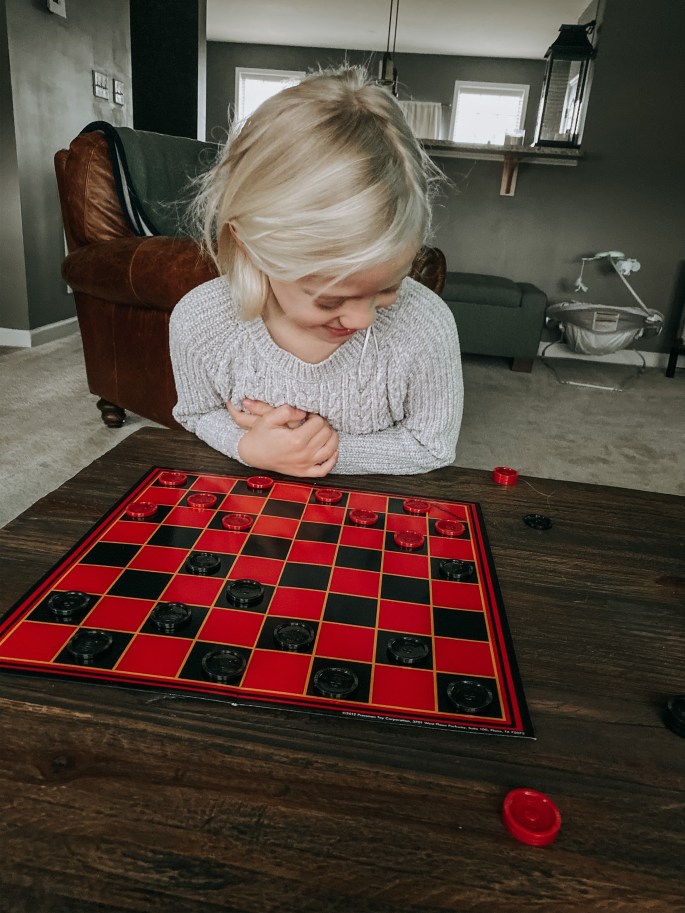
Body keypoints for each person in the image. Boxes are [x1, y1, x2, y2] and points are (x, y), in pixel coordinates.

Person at [169, 65, 463, 478]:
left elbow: (433, 445)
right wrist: (247, 447)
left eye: (388, 288)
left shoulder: (426, 327)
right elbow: (196, 413)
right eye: (330, 300)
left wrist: (317, 452)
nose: (363, 319)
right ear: (251, 247)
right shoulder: (200, 321)